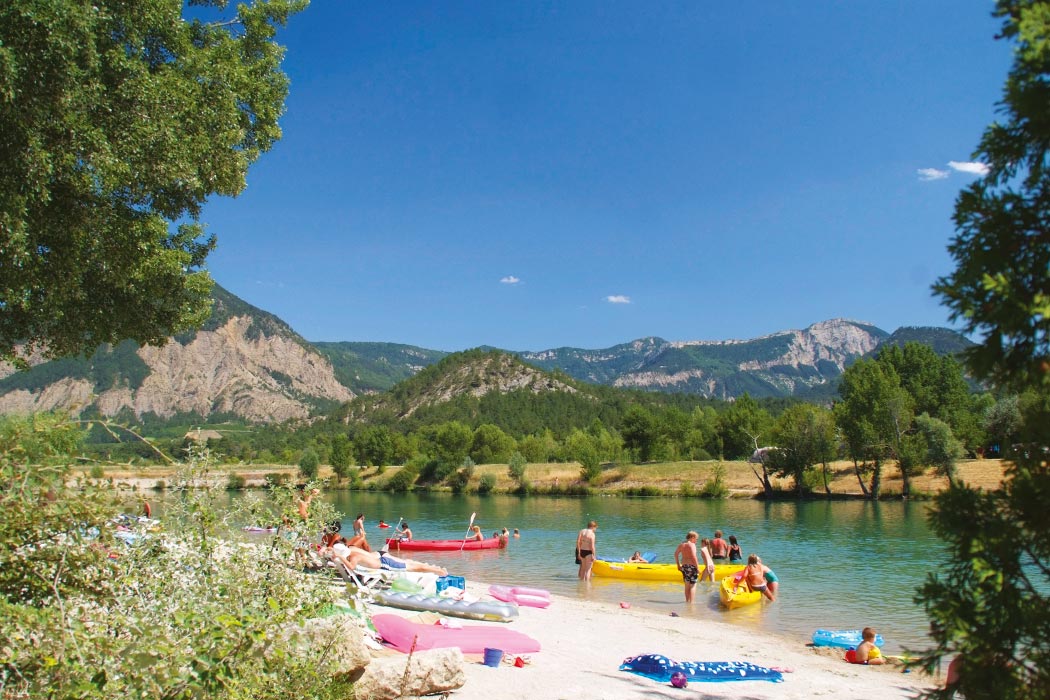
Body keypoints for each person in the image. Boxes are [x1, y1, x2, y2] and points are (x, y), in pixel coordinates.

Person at [336, 544, 448, 576]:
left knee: (412, 568)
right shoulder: (352, 551)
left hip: (385, 564)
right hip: (382, 559)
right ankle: (435, 568)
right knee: (410, 564)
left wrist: (340, 557)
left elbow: (351, 567)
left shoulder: (353, 557)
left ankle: (438, 571)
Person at [674, 532, 700, 602]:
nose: (696, 541)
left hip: (684, 566)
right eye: (696, 539)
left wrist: (678, 565)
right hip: (692, 566)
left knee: (687, 585)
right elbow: (694, 557)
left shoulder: (681, 545)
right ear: (692, 537)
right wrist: (697, 568)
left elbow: (675, 554)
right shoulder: (692, 545)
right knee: (693, 585)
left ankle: (687, 601)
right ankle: (691, 604)